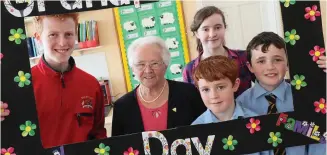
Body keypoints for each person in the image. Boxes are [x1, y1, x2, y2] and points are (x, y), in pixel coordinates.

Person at [1, 13, 107, 148]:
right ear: (38, 38)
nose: (62, 43)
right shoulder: (20, 86)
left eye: (68, 34)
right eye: (53, 35)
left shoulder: (92, 85)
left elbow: (99, 137)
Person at [237, 31, 325, 155]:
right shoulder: (240, 104)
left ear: (288, 63)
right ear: (250, 66)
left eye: (277, 60)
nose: (270, 67)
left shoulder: (307, 98)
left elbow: (319, 138)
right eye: (261, 61)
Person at [111, 36, 206, 136]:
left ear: (165, 65)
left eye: (154, 63)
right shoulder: (122, 107)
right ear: (133, 68)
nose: (148, 70)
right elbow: (118, 147)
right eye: (140, 64)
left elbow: (206, 134)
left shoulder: (189, 94)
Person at [183, 6, 254, 98]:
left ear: (224, 28)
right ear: (197, 33)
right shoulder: (189, 69)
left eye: (217, 27)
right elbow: (191, 102)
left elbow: (263, 86)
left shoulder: (244, 57)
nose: (212, 34)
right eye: (205, 29)